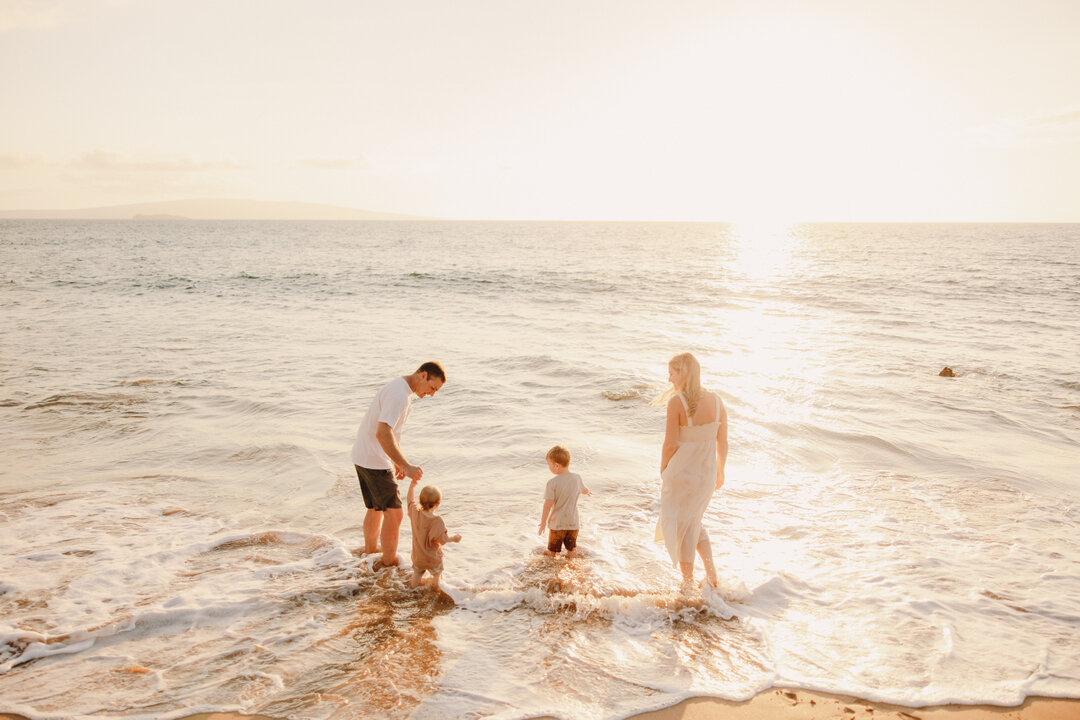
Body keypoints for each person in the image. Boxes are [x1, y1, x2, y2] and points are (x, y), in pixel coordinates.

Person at [352, 361, 446, 568]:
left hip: (364, 455)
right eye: (432, 388)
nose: (432, 394)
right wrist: (406, 465)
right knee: (395, 513)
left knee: (376, 508)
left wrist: (397, 463)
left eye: (436, 391)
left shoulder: (400, 389)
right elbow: (382, 432)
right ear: (423, 376)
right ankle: (388, 565)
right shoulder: (399, 396)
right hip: (374, 459)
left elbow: (391, 433)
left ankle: (370, 552)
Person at [655, 352, 728, 589]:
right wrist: (721, 471)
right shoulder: (717, 401)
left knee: (681, 525)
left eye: (672, 374)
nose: (669, 379)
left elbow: (671, 443)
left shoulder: (677, 402)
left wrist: (663, 468)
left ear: (683, 374)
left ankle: (687, 583)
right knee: (693, 520)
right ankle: (712, 575)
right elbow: (723, 442)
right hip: (706, 474)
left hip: (682, 473)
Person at [406, 479, 461, 589]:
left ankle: (412, 589)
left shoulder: (414, 512)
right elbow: (443, 540)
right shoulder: (437, 521)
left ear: (420, 500)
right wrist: (454, 538)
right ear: (438, 504)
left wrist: (411, 487)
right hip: (432, 558)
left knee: (417, 574)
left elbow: (410, 500)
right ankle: (434, 590)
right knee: (437, 573)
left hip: (418, 557)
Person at [538, 445, 592, 558]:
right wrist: (587, 492)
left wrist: (543, 522)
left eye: (549, 464)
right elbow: (584, 490)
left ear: (556, 465)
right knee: (571, 550)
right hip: (573, 523)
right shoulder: (577, 478)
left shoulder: (552, 483)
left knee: (552, 552)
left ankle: (550, 570)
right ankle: (574, 567)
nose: (549, 467)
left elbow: (547, 505)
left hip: (557, 524)